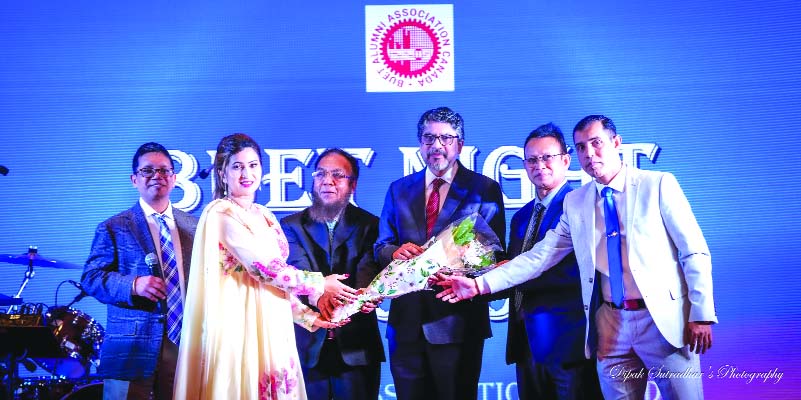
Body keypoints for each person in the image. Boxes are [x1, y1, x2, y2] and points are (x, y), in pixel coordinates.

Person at [436, 115, 717, 400]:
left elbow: (693, 250)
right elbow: (539, 257)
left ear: (616, 143)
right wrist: (478, 284)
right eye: (582, 147)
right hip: (610, 326)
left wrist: (702, 314)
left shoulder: (657, 185)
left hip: (662, 321)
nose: (589, 153)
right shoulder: (577, 202)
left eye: (596, 143)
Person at [173, 133, 357, 400]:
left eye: (253, 165)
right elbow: (263, 269)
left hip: (272, 323)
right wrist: (320, 282)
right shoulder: (220, 213)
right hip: (239, 324)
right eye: (237, 166)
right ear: (222, 173)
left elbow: (275, 282)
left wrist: (308, 316)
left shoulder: (265, 215)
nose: (246, 174)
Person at [374, 107, 506, 400]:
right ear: (420, 143)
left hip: (458, 322)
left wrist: (460, 268)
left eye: (446, 138)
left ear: (460, 144)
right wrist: (395, 252)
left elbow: (495, 255)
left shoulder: (484, 189)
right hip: (406, 324)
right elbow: (380, 247)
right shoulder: (398, 189)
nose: (437, 145)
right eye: (429, 138)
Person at [82, 142, 198, 400]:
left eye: (164, 170)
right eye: (147, 171)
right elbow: (91, 278)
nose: (157, 176)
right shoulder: (113, 227)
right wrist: (133, 285)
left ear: (174, 178)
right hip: (131, 349)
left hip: (185, 344)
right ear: (134, 179)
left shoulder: (195, 226)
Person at [503, 123, 602, 400]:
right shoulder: (521, 216)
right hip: (525, 344)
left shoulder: (581, 206)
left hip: (568, 344)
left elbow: (583, 270)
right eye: (532, 160)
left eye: (547, 157)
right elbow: (509, 269)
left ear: (566, 161)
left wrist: (513, 274)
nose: (539, 165)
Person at [280, 148, 385, 400]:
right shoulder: (290, 226)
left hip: (356, 347)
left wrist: (361, 297)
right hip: (306, 346)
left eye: (338, 175)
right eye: (321, 174)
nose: (328, 181)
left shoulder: (371, 225)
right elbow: (298, 271)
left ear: (353, 185)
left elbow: (366, 274)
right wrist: (320, 294)